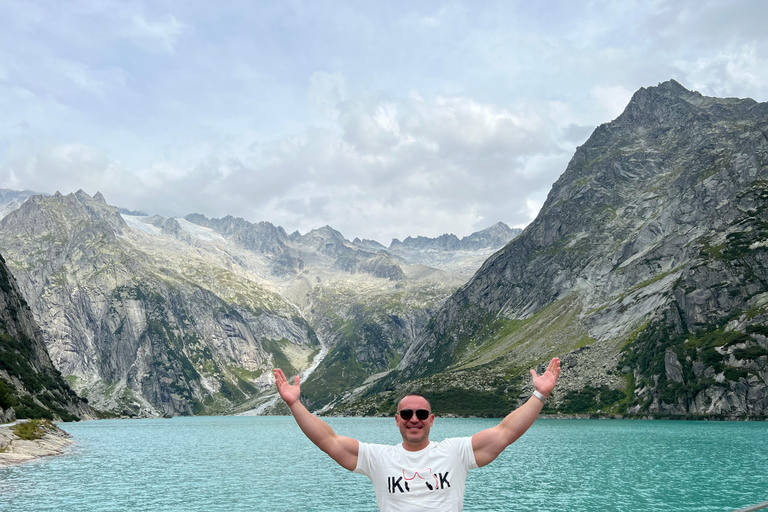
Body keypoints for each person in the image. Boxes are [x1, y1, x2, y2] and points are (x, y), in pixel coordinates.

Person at [273, 357, 561, 512]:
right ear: (396, 420)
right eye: (407, 414)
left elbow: (505, 432)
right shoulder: (377, 458)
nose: (414, 419)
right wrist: (295, 404)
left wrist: (539, 395)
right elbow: (328, 441)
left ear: (431, 420)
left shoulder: (455, 452)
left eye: (421, 414)